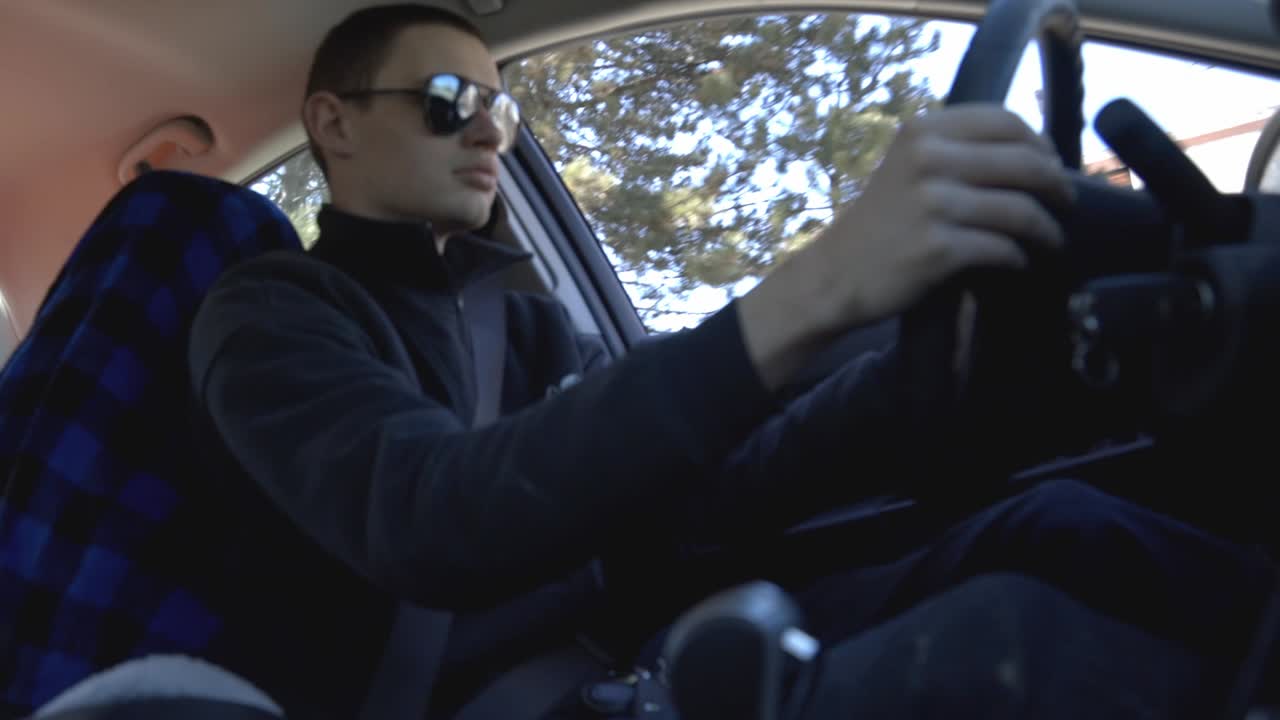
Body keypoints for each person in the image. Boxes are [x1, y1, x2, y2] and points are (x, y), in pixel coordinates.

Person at [184, 4, 1275, 718]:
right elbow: (431, 520)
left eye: (502, 108)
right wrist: (813, 286)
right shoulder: (269, 318)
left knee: (1067, 537)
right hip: (481, 705)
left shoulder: (520, 324)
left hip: (630, 652)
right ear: (332, 123)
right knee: (1023, 654)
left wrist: (914, 383)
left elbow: (691, 505)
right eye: (447, 103)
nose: (489, 134)